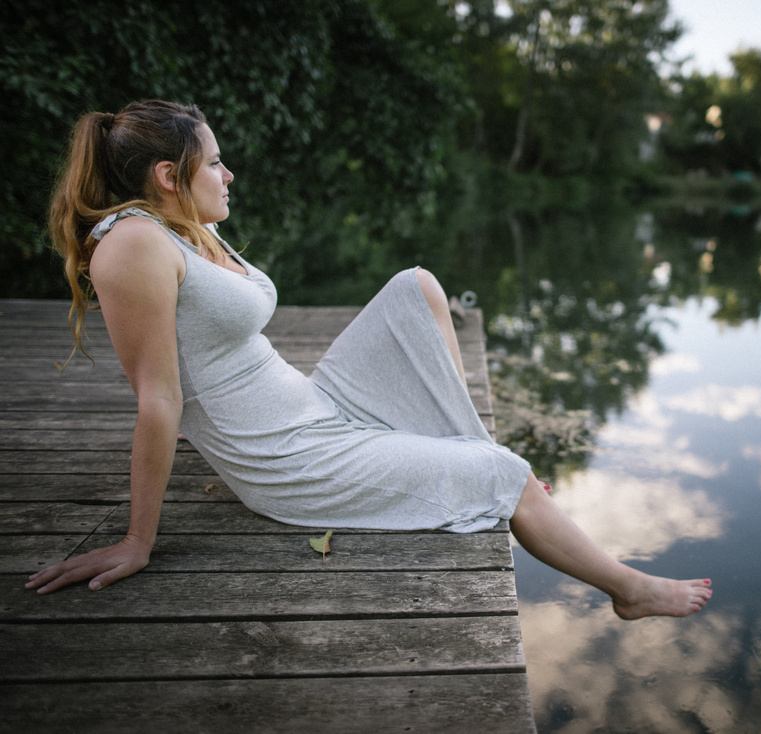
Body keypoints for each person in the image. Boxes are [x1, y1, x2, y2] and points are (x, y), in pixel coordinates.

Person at [26, 100, 713, 619]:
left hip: (315, 408)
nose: (229, 174)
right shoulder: (133, 245)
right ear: (169, 176)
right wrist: (137, 539)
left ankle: (475, 456)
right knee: (502, 473)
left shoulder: (186, 228)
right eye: (214, 163)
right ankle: (627, 588)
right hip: (293, 460)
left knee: (416, 286)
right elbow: (157, 395)